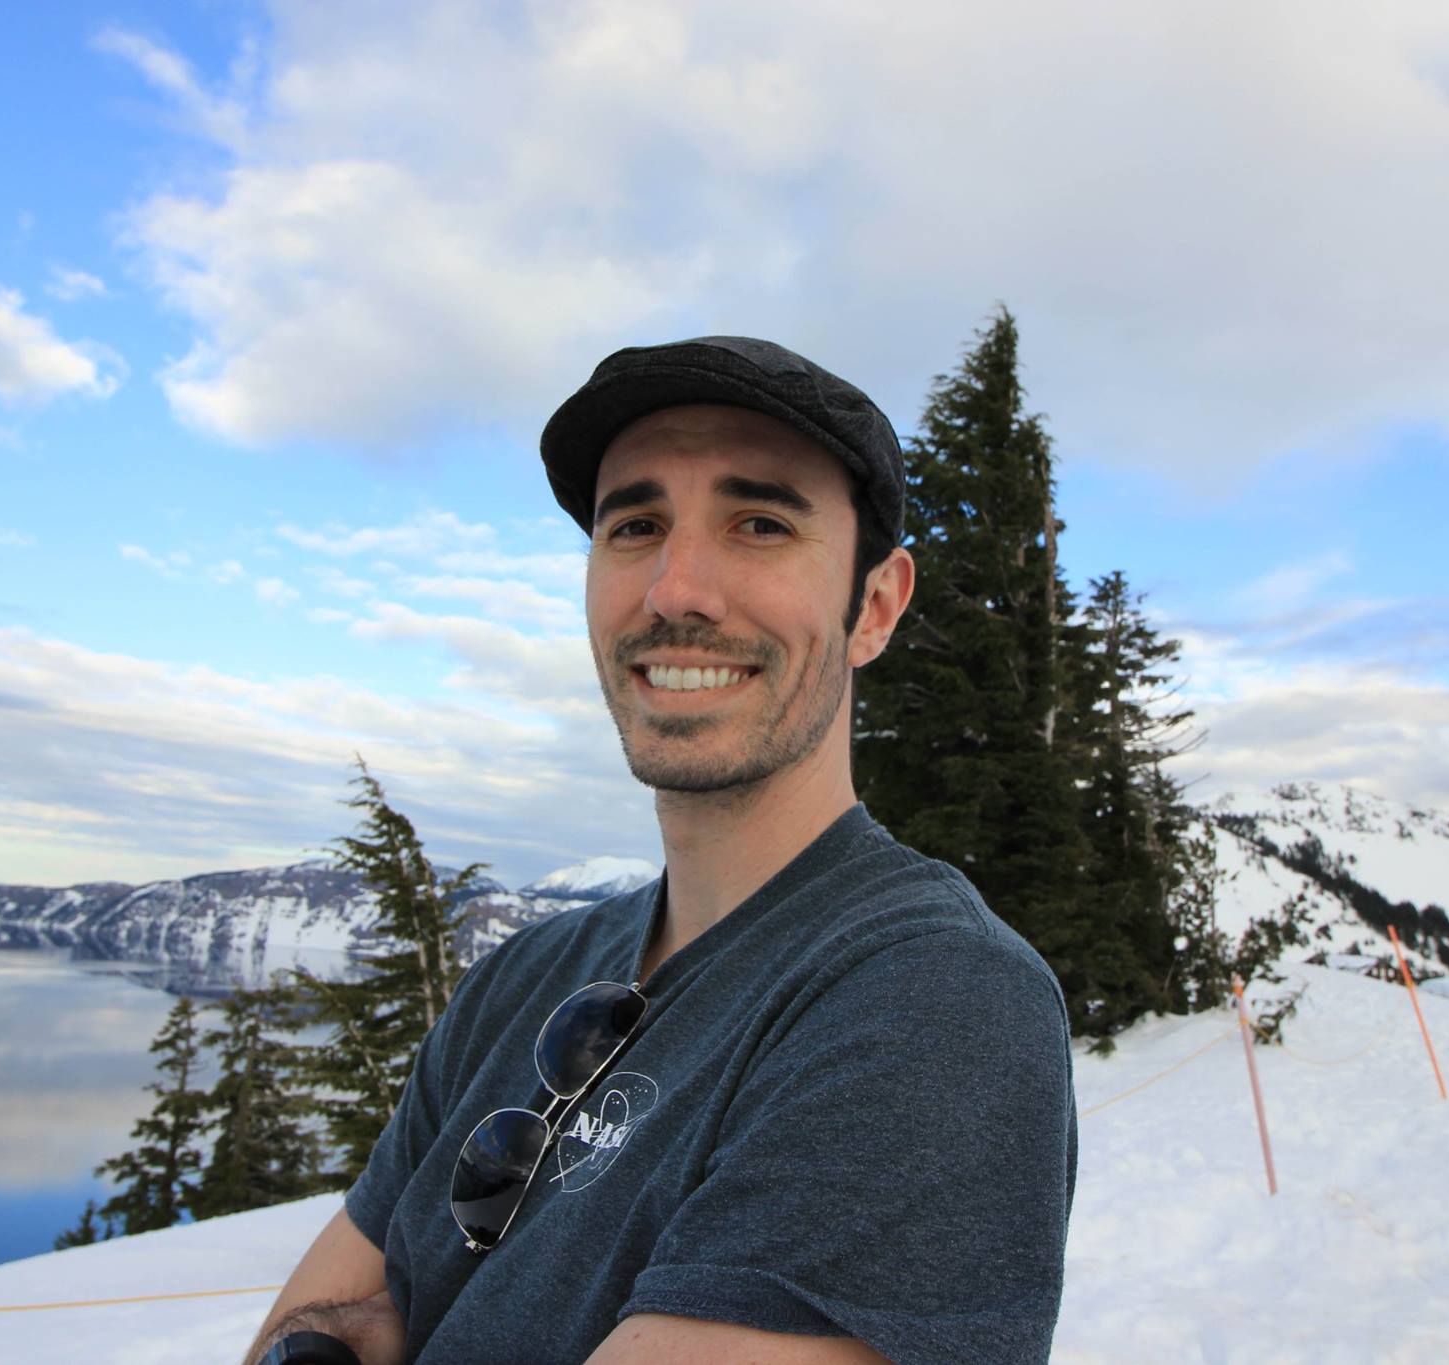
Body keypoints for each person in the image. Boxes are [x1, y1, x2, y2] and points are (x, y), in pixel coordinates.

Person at [244, 338, 1076, 1365]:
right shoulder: (522, 977)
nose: (676, 591)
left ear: (873, 607)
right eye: (635, 526)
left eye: (759, 523)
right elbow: (312, 1323)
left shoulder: (933, 1001)